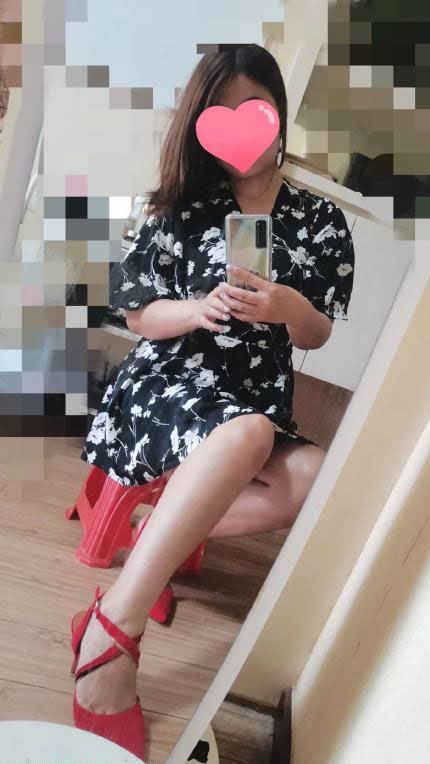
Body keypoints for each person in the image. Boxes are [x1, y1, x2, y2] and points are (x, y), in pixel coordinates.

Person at [69, 43, 355, 757]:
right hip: (168, 380)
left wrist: (287, 306)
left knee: (312, 475)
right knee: (245, 435)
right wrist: (199, 309)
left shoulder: (320, 220)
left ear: (278, 111)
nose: (240, 129)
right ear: (200, 124)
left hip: (254, 393)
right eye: (220, 113)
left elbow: (316, 334)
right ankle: (113, 630)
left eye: (252, 108)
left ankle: (149, 539)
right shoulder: (182, 204)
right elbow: (139, 315)